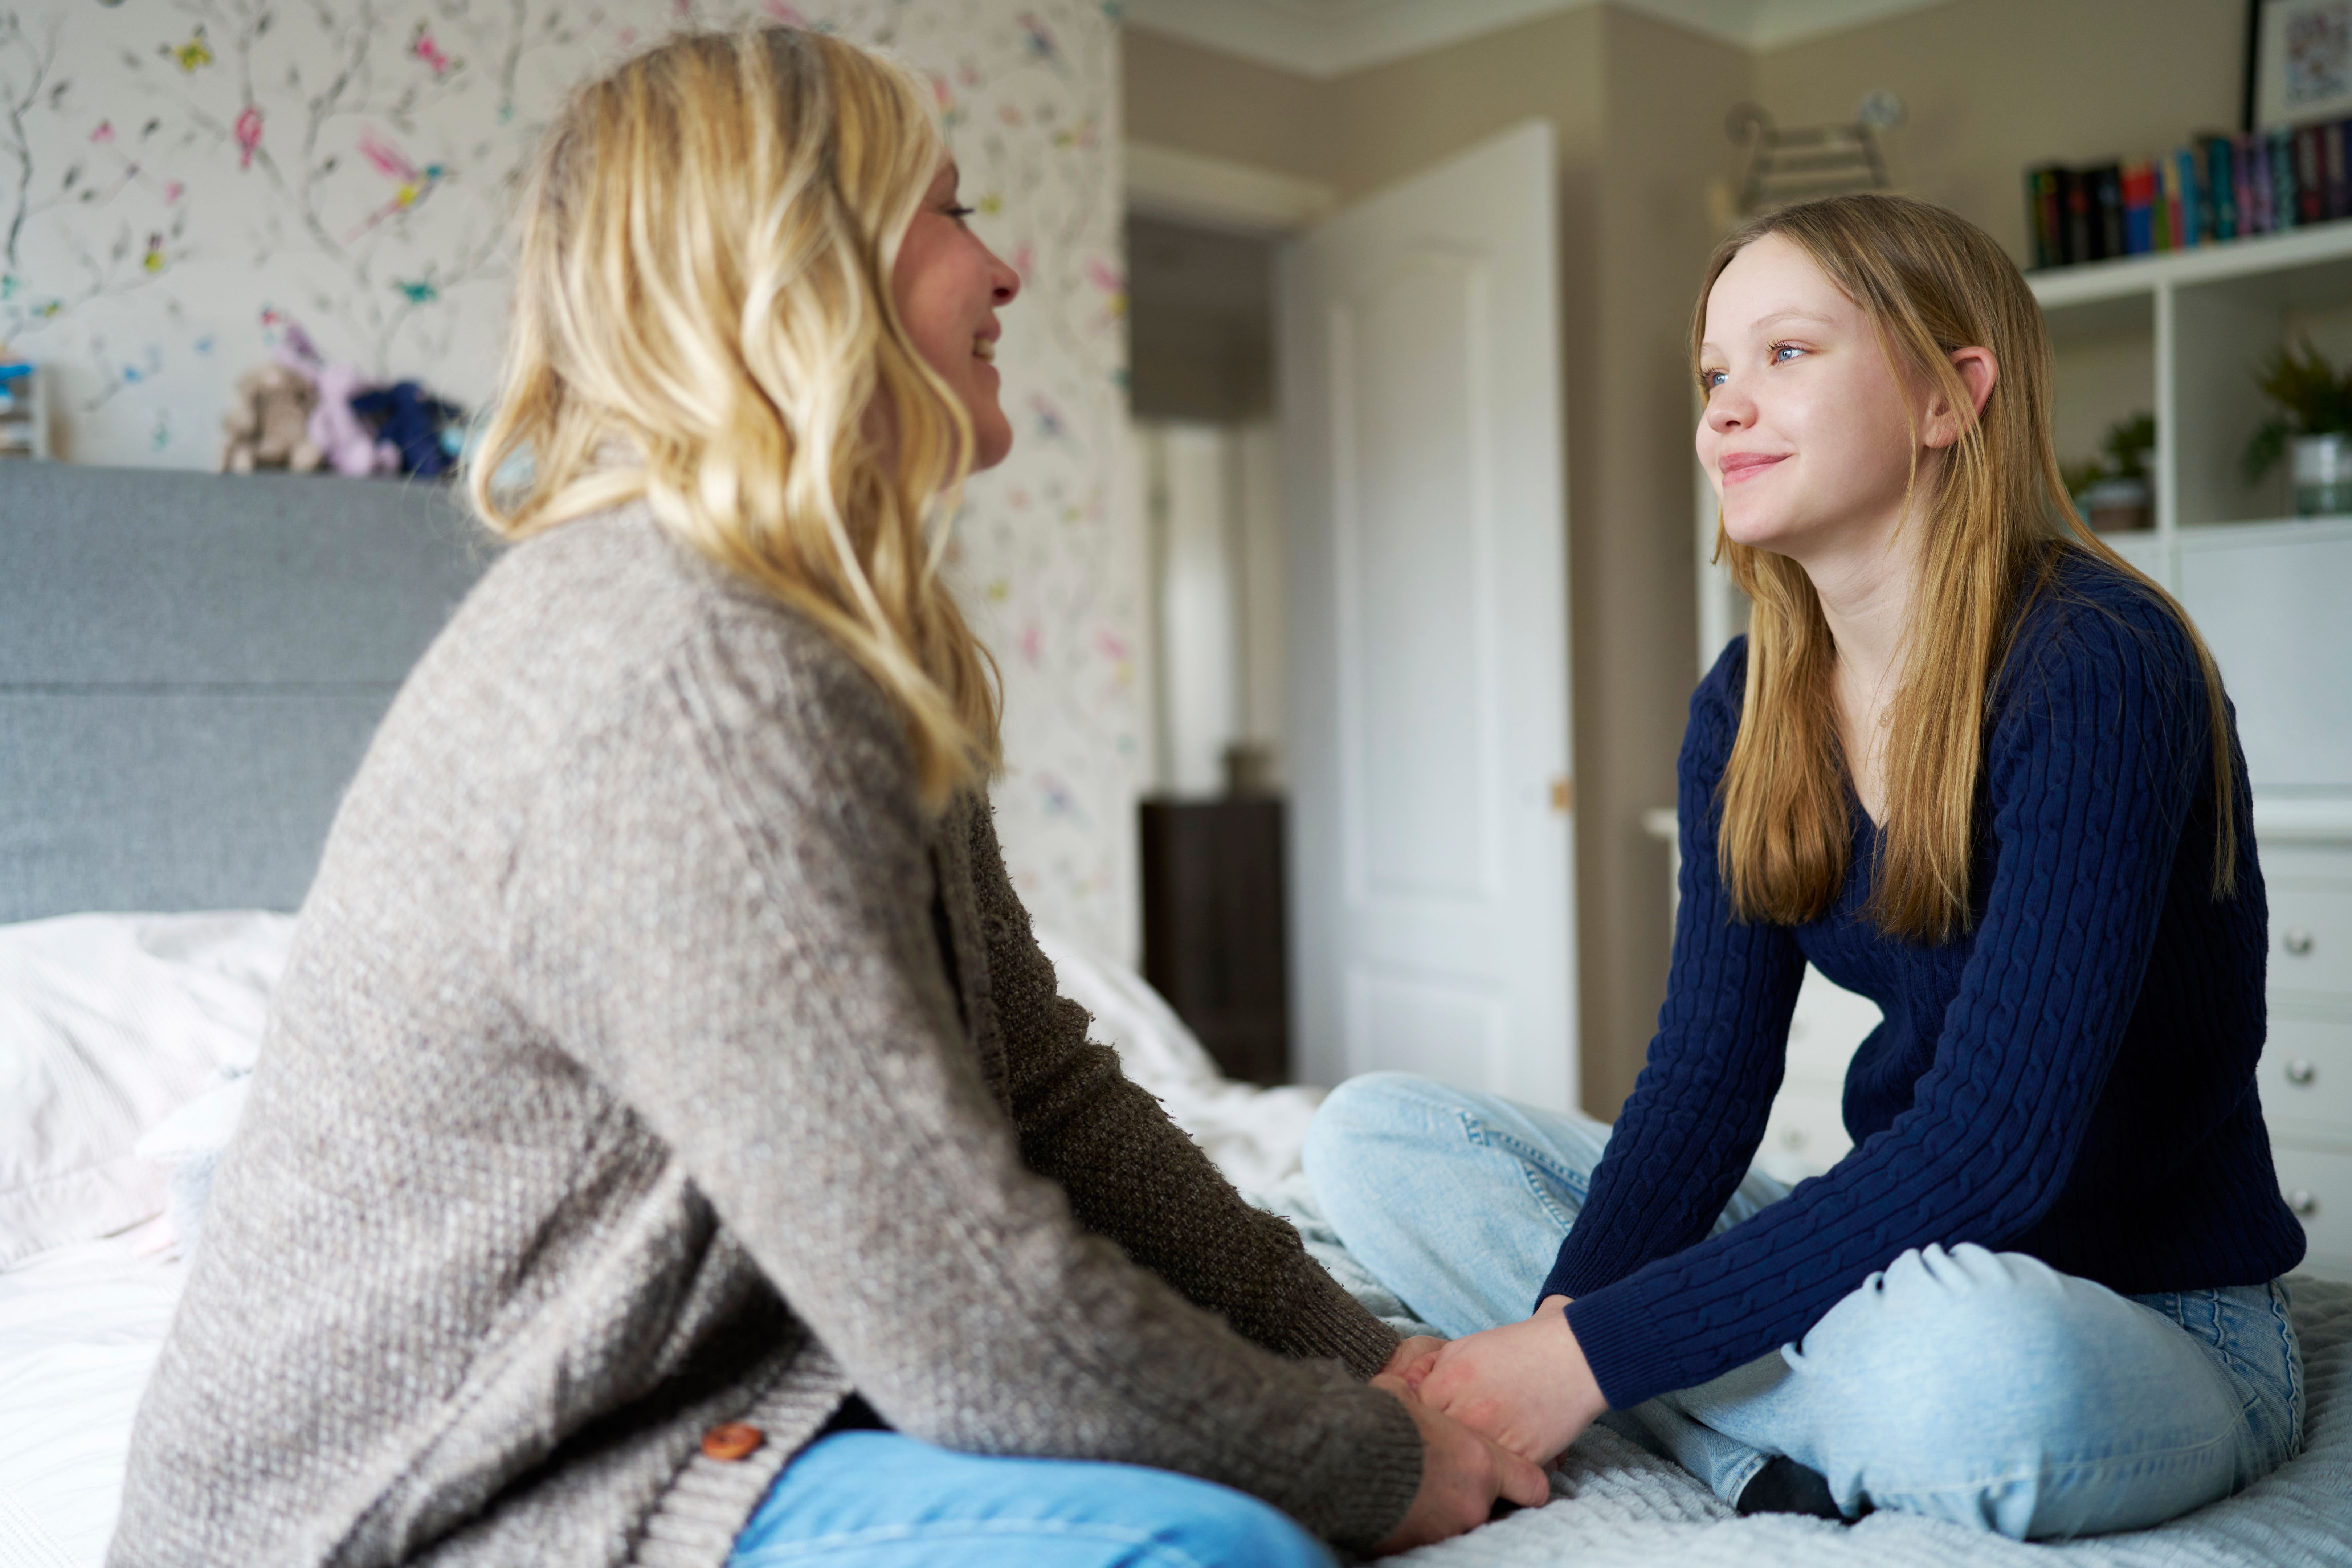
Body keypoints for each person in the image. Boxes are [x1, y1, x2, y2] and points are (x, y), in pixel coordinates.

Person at [106, 27, 1547, 1568]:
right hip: (413, 1512)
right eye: (947, 213)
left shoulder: (822, 638)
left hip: (676, 1414)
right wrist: (1369, 1460)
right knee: (1204, 1550)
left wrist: (1354, 1350)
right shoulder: (678, 671)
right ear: (794, 269)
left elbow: (1043, 1090)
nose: (1007, 272)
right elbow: (967, 1316)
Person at [1302, 192, 2307, 1542]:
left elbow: (1993, 1146)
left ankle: (1719, 1437)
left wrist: (1588, 1365)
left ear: (1953, 398)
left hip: (2145, 1315)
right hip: (1907, 1265)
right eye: (1715, 371)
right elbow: (1708, 1084)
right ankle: (1768, 1451)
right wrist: (1560, 1329)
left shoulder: (2099, 662)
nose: (1723, 408)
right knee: (1376, 1138)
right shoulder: (1748, 699)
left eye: (1786, 355)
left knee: (1974, 1370)